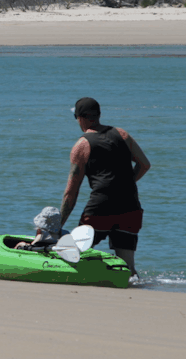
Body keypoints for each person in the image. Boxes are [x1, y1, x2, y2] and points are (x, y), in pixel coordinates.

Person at [58, 97, 149, 272]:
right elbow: (144, 164)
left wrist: (58, 225)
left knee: (73, 255)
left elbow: (71, 192)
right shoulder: (122, 134)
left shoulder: (81, 146)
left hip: (101, 207)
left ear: (80, 118)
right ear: (98, 115)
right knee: (128, 266)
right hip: (130, 205)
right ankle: (133, 284)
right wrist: (124, 184)